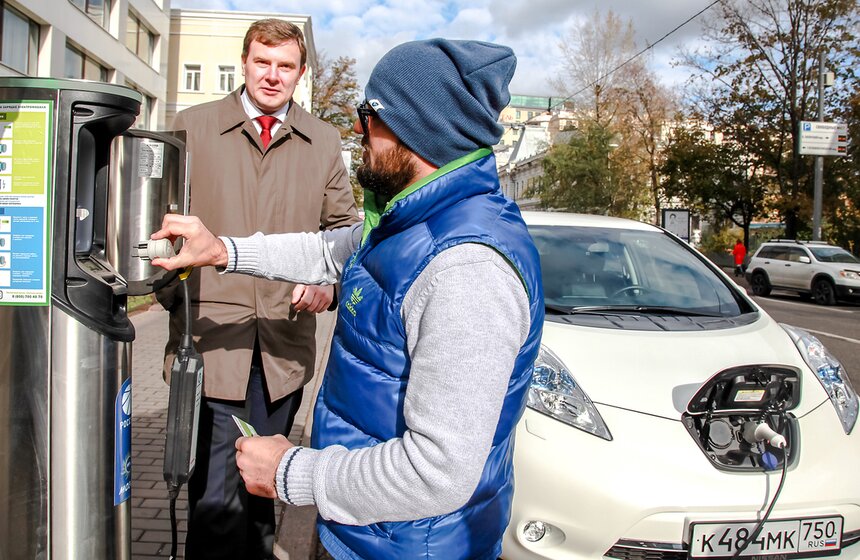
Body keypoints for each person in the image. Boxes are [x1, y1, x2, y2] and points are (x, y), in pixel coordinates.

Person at [151, 38, 544, 560]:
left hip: (411, 547)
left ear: (416, 127)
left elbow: (437, 472)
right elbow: (324, 249)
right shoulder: (408, 219)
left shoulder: (465, 268)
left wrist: (289, 472)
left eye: (369, 115)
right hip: (365, 529)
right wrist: (221, 249)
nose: (360, 131)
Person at [158, 19, 359, 559]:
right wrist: (173, 299)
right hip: (211, 344)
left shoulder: (323, 141)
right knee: (214, 499)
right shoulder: (194, 126)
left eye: (285, 66)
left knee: (263, 488)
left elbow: (344, 232)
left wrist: (327, 283)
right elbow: (162, 222)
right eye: (262, 62)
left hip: (281, 348)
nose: (272, 76)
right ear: (244, 63)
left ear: (300, 72)